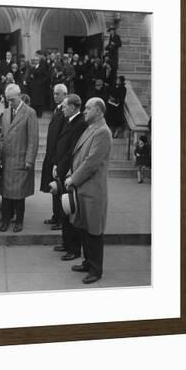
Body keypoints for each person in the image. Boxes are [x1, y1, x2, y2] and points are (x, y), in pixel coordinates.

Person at [64, 97, 112, 284]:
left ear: (99, 111)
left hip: (92, 190)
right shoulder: (91, 128)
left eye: (88, 108)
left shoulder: (102, 132)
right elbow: (79, 157)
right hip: (83, 188)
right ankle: (87, 262)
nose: (84, 111)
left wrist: (72, 179)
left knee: (93, 231)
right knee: (84, 227)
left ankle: (96, 269)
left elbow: (91, 162)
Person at [0, 84, 39, 232]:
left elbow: (33, 139)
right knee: (6, 194)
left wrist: (29, 160)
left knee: (19, 195)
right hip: (7, 160)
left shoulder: (30, 113)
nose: (10, 103)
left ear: (20, 96)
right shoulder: (6, 113)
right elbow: (2, 135)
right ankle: (5, 221)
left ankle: (19, 221)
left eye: (12, 99)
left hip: (21, 160)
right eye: (8, 100)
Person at [51, 94, 88, 260]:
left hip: (70, 172)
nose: (63, 108)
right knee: (65, 210)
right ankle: (67, 243)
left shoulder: (79, 123)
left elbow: (71, 151)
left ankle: (74, 249)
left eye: (65, 106)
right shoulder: (69, 119)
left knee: (72, 211)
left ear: (73, 107)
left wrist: (60, 169)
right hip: (63, 169)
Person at [40, 84, 68, 230]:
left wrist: (57, 160)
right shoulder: (58, 109)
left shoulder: (64, 111)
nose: (55, 96)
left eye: (58, 94)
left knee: (59, 189)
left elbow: (62, 138)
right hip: (51, 155)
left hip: (58, 158)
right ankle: (55, 216)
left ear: (65, 94)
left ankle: (61, 219)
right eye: (54, 93)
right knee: (54, 189)